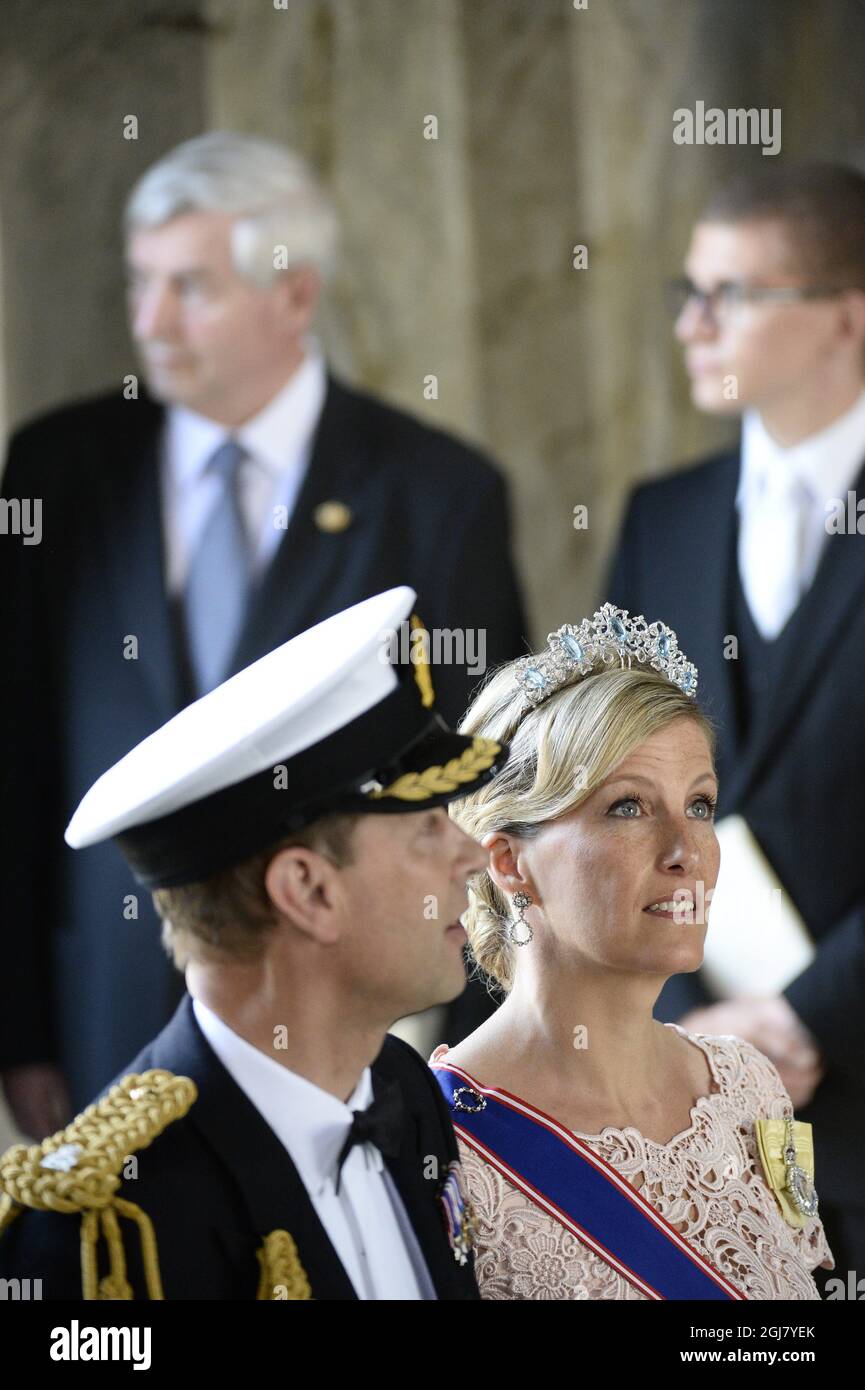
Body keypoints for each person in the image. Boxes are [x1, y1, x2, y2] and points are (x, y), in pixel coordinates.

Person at [0, 130, 528, 1135]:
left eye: (189, 287)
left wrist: (468, 1047)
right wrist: (19, 1023)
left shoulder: (436, 491)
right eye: (140, 281)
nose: (149, 320)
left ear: (292, 295)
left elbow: (477, 781)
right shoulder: (56, 470)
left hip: (343, 1019)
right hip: (103, 1007)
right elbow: (17, 751)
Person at [0, 586, 508, 1299]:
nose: (471, 856)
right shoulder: (100, 1230)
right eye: (427, 829)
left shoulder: (404, 1091)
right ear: (307, 892)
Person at [605, 162, 865, 1287]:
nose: (693, 323)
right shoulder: (660, 517)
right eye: (686, 291)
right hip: (689, 1093)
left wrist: (808, 1014)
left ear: (846, 316)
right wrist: (694, 1026)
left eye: (736, 294)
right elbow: (599, 780)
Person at [429, 604, 833, 1300]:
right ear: (509, 863)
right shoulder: (439, 1140)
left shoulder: (744, 1086)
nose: (687, 852)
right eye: (627, 807)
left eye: (699, 805)